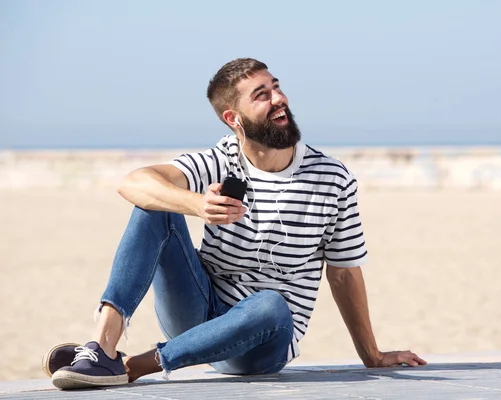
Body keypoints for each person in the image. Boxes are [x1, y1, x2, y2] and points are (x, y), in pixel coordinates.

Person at [43, 58, 427, 390]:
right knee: (153, 204)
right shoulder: (221, 159)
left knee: (271, 305)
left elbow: (344, 274)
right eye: (262, 95)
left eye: (276, 88)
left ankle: (130, 367)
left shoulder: (331, 178)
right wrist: (197, 204)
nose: (279, 99)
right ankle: (102, 347)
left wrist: (372, 355)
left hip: (262, 340)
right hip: (197, 314)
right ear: (234, 119)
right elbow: (132, 183)